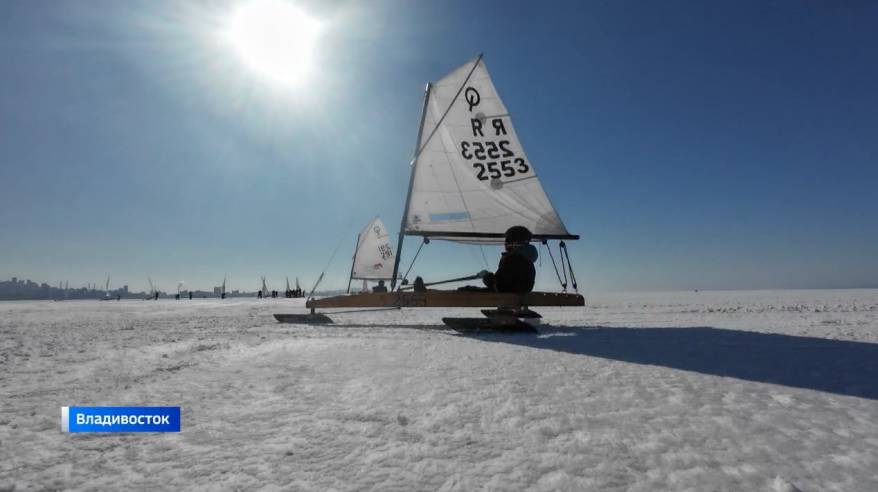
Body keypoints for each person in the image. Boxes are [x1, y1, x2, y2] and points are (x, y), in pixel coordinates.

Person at [414, 225, 538, 294]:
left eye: (507, 240)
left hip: (505, 295)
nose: (505, 243)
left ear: (515, 242)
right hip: (514, 294)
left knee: (465, 291)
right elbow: (508, 281)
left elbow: (498, 284)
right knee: (467, 289)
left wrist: (486, 276)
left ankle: (426, 293)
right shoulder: (526, 258)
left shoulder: (513, 259)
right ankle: (429, 291)